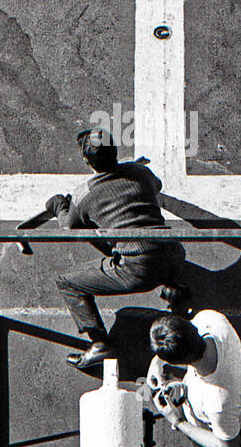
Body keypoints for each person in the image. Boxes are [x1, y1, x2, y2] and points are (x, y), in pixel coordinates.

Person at [48, 128, 188, 371]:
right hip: (174, 254)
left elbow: (69, 226)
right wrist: (131, 171)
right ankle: (173, 287)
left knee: (66, 282)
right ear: (115, 151)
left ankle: (100, 344)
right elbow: (157, 185)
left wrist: (58, 204)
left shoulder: (86, 194)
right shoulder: (140, 172)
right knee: (149, 241)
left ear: (86, 161)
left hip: (138, 271)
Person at [146, 311, 241, 447]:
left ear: (180, 363)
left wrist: (177, 421)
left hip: (215, 431)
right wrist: (157, 362)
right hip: (214, 415)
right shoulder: (209, 319)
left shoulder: (218, 401)